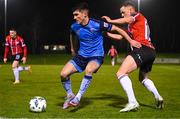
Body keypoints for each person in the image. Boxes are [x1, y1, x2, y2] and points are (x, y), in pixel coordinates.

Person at [60, 2, 141, 109]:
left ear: (84, 14)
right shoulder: (74, 26)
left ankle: (78, 98)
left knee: (89, 70)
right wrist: (72, 48)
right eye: (74, 15)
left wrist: (130, 40)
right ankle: (70, 95)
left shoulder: (97, 24)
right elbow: (72, 34)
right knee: (63, 74)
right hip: (81, 56)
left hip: (96, 56)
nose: (74, 17)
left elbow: (116, 29)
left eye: (76, 15)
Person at [102, 1, 164, 112]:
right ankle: (158, 97)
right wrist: (107, 33)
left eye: (123, 12)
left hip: (142, 49)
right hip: (150, 52)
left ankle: (132, 102)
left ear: (130, 10)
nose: (122, 15)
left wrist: (111, 21)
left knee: (121, 73)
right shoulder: (133, 26)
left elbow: (127, 19)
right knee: (143, 79)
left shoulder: (137, 15)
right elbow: (121, 37)